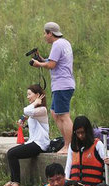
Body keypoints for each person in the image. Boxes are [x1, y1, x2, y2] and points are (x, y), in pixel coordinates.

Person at [30, 22, 75, 154]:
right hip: (64, 84)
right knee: (55, 113)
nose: (44, 36)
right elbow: (51, 61)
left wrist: (38, 64)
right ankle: (68, 144)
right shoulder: (65, 43)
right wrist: (41, 59)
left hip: (62, 85)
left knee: (64, 115)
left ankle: (69, 146)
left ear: (50, 33)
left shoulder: (57, 45)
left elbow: (52, 65)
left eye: (45, 33)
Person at [2, 85, 50, 186]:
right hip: (33, 142)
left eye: (29, 94)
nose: (27, 97)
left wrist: (36, 102)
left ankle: (16, 182)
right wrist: (24, 125)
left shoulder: (42, 109)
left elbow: (26, 111)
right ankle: (13, 181)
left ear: (37, 95)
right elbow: (32, 120)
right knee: (11, 153)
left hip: (40, 144)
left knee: (12, 153)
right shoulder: (35, 110)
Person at [65, 116, 109, 186]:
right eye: (78, 133)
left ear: (87, 131)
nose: (80, 135)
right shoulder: (72, 147)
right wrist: (66, 182)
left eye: (82, 132)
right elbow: (68, 166)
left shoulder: (97, 144)